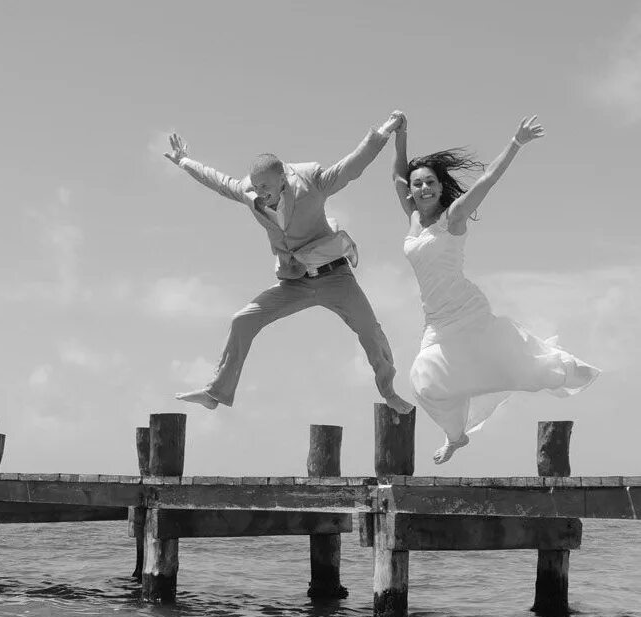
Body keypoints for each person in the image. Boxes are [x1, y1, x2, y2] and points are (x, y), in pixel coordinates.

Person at [164, 113, 414, 414]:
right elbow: (219, 182)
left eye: (266, 187)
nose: (261, 194)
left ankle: (389, 392)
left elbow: (352, 167)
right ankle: (215, 392)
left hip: (335, 277)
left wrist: (385, 131)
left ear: (283, 177)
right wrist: (184, 162)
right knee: (242, 320)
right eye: (256, 187)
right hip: (295, 281)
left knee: (370, 331)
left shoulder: (311, 181)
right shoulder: (250, 192)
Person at [393, 114, 599, 463]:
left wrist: (515, 143)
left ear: (441, 187)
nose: (423, 188)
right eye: (417, 184)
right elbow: (396, 176)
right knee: (425, 382)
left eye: (430, 182)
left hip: (467, 310)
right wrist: (401, 135)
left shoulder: (453, 217)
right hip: (437, 321)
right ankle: (457, 437)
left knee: (507, 362)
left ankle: (560, 368)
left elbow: (488, 179)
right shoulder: (413, 217)